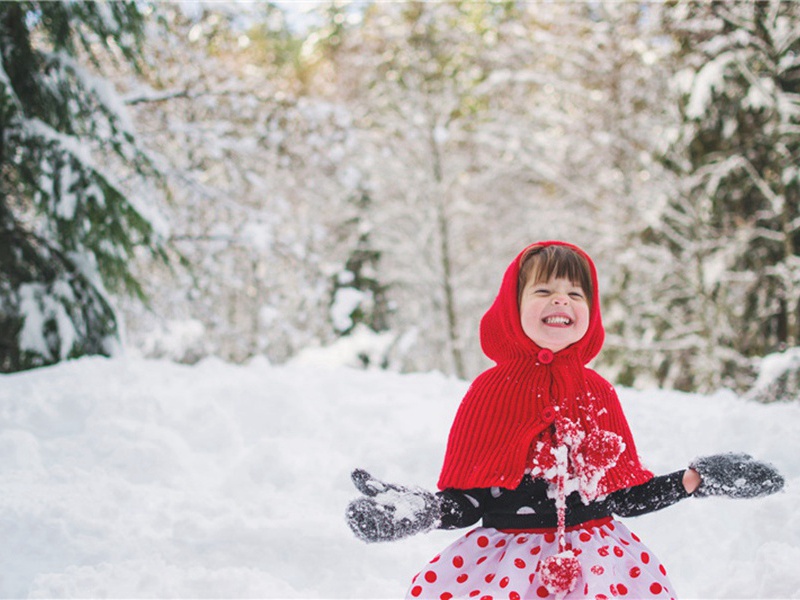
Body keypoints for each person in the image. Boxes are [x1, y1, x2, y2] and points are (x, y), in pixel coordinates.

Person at [346, 241, 784, 599]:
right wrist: (426, 510)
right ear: (510, 309)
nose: (562, 299)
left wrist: (695, 479)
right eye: (543, 291)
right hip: (502, 571)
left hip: (600, 569)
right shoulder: (489, 393)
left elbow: (622, 498)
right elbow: (470, 502)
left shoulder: (598, 393)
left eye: (576, 293)